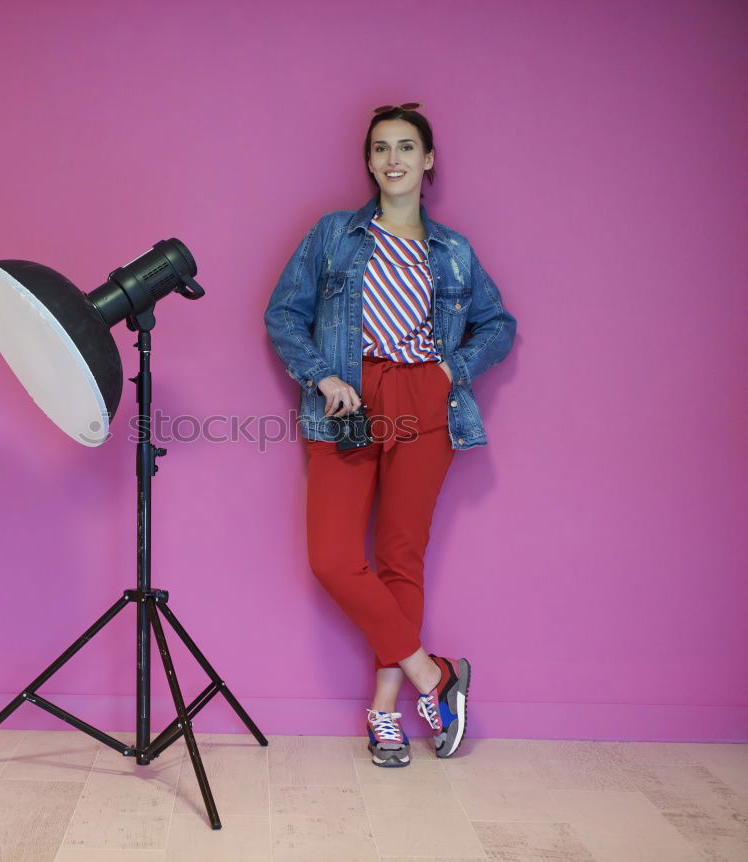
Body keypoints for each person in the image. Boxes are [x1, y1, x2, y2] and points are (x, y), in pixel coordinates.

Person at [263, 103, 516, 766]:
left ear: (428, 160)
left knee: (402, 557)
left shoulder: (453, 250)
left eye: (407, 147)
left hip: (423, 398)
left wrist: (447, 372)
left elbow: (498, 325)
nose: (394, 159)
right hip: (347, 400)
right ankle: (434, 676)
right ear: (370, 162)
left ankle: (383, 714)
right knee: (333, 558)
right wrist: (320, 375)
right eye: (382, 149)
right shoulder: (334, 235)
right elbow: (284, 314)